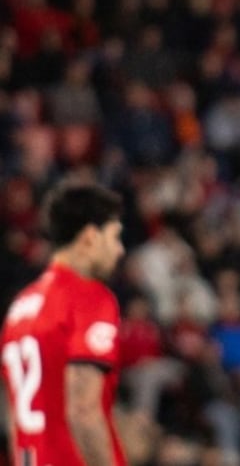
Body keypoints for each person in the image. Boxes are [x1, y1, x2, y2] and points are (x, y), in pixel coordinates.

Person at [1, 181, 127, 466]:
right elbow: (83, 409)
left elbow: (13, 414)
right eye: (114, 237)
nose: (119, 250)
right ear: (90, 237)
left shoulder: (20, 307)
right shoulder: (88, 297)